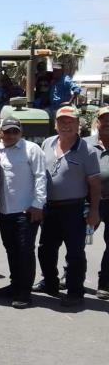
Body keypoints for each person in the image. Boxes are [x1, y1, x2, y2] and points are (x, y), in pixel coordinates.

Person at [36, 106, 101, 307]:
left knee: (75, 253)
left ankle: (75, 291)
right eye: (61, 122)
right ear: (55, 125)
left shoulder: (87, 150)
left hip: (74, 208)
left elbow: (95, 184)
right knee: (45, 249)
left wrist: (94, 211)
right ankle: (50, 282)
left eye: (70, 122)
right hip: (49, 208)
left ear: (78, 125)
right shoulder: (47, 143)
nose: (66, 125)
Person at [0, 117, 47, 309]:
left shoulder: (32, 149)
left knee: (25, 252)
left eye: (15, 131)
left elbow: (41, 177)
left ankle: (25, 292)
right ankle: (15, 285)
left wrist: (38, 204)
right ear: (0, 132)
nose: (10, 135)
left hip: (26, 211)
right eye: (7, 131)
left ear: (20, 133)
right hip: (4, 210)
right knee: (11, 250)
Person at [86, 106, 109, 300]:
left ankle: (105, 283)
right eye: (104, 119)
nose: (108, 123)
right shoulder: (85, 144)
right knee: (78, 241)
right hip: (89, 202)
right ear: (97, 122)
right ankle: (70, 274)